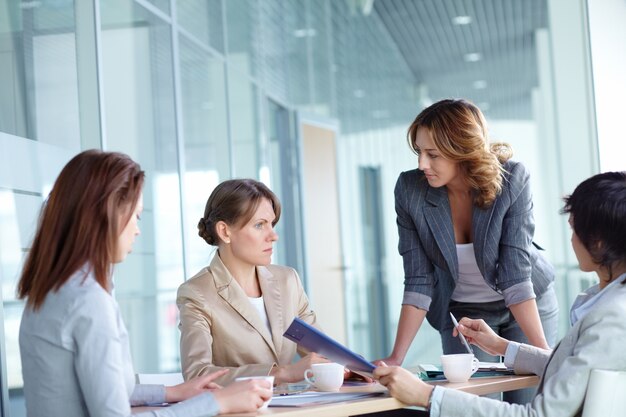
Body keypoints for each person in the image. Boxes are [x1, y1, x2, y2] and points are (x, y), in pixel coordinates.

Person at [17, 150, 272, 417]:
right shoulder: (88, 301)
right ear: (107, 214)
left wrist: (171, 393)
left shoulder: (54, 290)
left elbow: (103, 389)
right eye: (135, 217)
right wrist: (218, 403)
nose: (137, 230)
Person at [375, 171, 626, 416]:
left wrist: (425, 396)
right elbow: (573, 371)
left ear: (598, 243)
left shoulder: (612, 319)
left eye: (574, 230)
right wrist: (501, 346)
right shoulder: (610, 306)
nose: (571, 241)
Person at [378, 99, 558, 404]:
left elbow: (516, 276)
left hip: (526, 305)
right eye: (419, 153)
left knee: (527, 404)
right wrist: (396, 357)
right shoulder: (410, 190)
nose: (422, 164)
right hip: (462, 314)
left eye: (432, 154)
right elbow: (419, 279)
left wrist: (544, 359)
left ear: (462, 150)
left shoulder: (512, 179)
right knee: (465, 405)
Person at [177, 179, 327, 385]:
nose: (273, 236)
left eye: (272, 224)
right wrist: (282, 374)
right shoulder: (197, 293)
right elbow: (198, 373)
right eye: (259, 225)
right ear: (224, 232)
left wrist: (361, 370)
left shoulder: (287, 281)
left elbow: (323, 353)